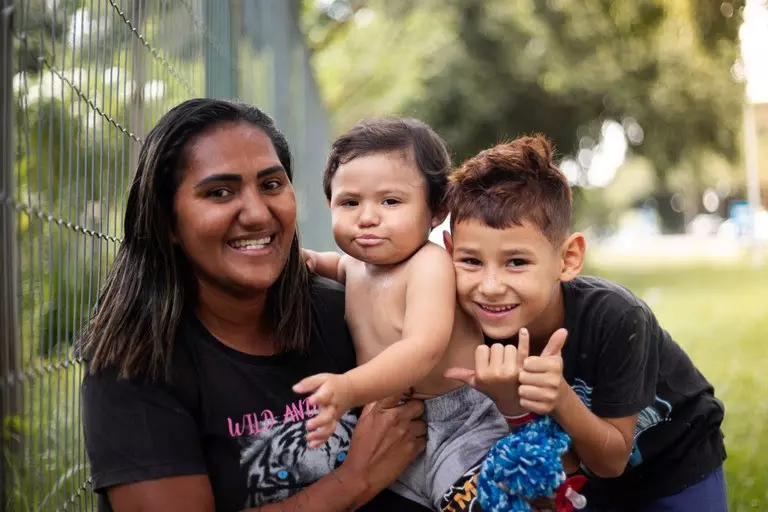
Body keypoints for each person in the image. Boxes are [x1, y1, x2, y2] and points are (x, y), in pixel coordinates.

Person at [80, 98, 432, 512]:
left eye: (271, 185)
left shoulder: (343, 310)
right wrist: (353, 480)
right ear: (168, 221)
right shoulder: (134, 364)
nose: (257, 213)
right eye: (220, 192)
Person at [441, 135, 728, 511]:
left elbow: (611, 461)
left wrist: (560, 396)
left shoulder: (617, 317)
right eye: (471, 261)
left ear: (568, 259)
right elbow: (551, 462)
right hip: (585, 478)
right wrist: (511, 404)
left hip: (675, 462)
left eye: (516, 262)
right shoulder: (469, 329)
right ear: (449, 252)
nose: (490, 287)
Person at [300, 118, 547, 511]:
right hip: (391, 424)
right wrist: (305, 260)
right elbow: (330, 264)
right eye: (349, 203)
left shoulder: (429, 265)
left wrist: (348, 388)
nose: (367, 217)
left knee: (481, 502)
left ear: (437, 209)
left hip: (457, 424)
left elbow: (422, 349)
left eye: (390, 201)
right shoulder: (354, 266)